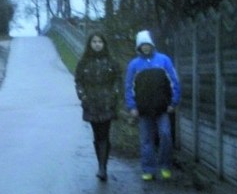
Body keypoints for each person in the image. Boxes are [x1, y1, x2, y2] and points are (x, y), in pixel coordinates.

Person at [125, 30, 180, 181]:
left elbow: (174, 82)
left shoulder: (164, 60)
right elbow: (129, 87)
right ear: (138, 47)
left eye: (148, 44)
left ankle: (165, 165)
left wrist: (173, 102)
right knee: (146, 140)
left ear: (152, 45)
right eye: (142, 45)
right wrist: (132, 107)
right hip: (143, 110)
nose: (145, 47)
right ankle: (148, 169)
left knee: (165, 135)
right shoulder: (134, 65)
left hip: (163, 108)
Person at [75, 32, 123, 182]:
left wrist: (114, 94)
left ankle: (103, 167)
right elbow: (78, 81)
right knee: (97, 135)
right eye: (94, 41)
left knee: (104, 134)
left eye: (100, 42)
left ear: (104, 44)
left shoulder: (111, 62)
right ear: (90, 44)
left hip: (107, 103)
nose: (97, 44)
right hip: (91, 104)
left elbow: (118, 80)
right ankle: (101, 164)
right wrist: (83, 96)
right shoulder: (83, 63)